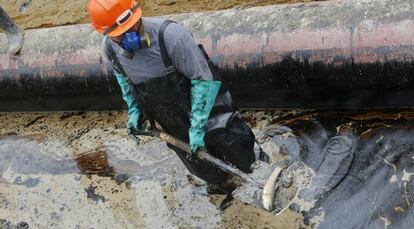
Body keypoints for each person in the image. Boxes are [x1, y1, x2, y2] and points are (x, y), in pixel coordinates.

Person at [87, 0, 266, 188]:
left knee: (242, 151)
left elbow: (204, 80)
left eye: (131, 28)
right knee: (204, 170)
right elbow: (124, 79)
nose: (127, 37)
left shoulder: (171, 37)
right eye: (119, 35)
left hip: (210, 110)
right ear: (105, 32)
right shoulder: (109, 49)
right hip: (172, 120)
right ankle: (225, 188)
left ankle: (264, 174)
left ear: (137, 15)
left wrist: (198, 128)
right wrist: (134, 111)